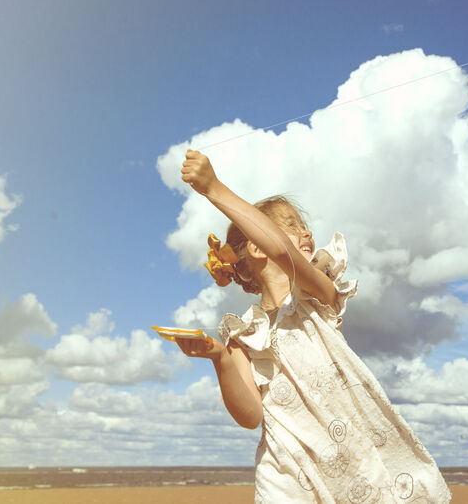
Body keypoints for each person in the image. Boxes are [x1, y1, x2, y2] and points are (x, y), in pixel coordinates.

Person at [175, 150, 452, 503]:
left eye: (304, 226)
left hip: (352, 463)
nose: (305, 231)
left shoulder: (317, 294)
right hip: (286, 473)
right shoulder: (240, 334)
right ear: (256, 248)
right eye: (290, 225)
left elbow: (283, 254)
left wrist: (215, 188)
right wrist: (220, 359)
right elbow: (249, 415)